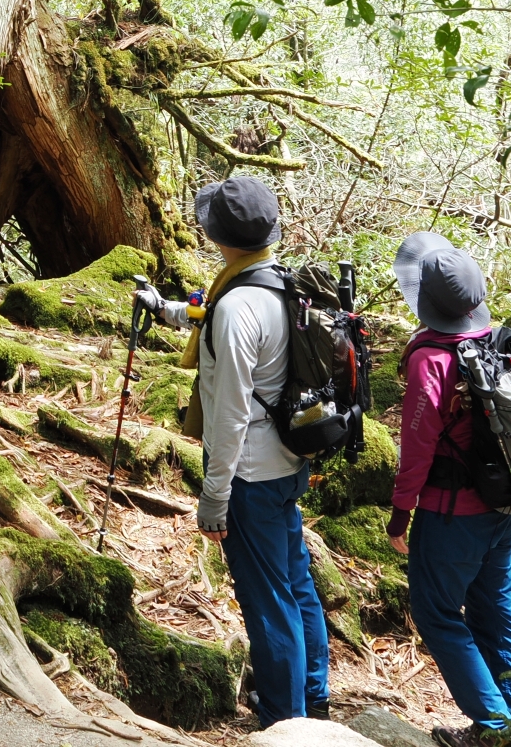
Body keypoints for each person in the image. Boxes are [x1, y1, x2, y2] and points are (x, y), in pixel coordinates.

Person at [136, 176, 330, 726]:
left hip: (251, 476)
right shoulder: (278, 283)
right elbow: (216, 316)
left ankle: (284, 720)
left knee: (269, 600)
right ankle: (313, 694)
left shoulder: (237, 304)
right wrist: (166, 308)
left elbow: (230, 418)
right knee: (294, 581)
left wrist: (213, 498)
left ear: (218, 235)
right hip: (290, 464)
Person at [387, 232, 511, 747]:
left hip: (453, 515)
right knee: (497, 604)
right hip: (504, 504)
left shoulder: (432, 359)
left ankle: (492, 727)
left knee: (437, 611)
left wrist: (401, 513)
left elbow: (418, 444)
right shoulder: (498, 337)